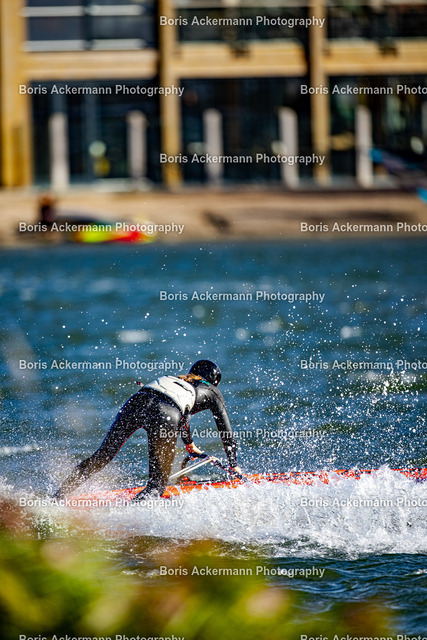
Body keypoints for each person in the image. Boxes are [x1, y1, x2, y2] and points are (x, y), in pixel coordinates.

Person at [52, 360, 242, 502]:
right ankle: (126, 520)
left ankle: (57, 498)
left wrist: (190, 445)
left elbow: (184, 415)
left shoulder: (175, 379)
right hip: (165, 413)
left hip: (137, 402)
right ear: (214, 381)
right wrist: (233, 465)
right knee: (156, 487)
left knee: (102, 456)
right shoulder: (212, 391)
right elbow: (226, 431)